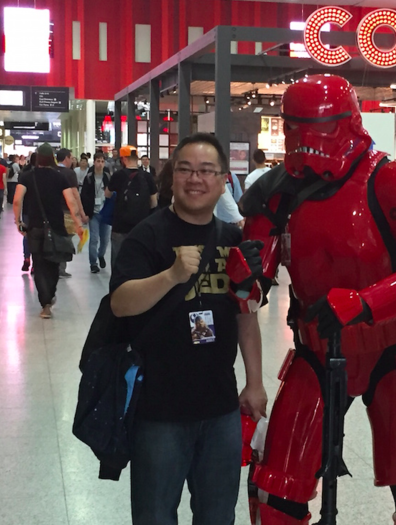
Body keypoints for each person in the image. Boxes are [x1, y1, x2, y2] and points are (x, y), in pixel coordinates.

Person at [240, 75, 396, 525]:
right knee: (278, 490)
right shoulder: (279, 190)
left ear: (349, 124)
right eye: (294, 129)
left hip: (394, 349)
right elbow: (256, 266)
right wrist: (248, 278)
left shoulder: (392, 178)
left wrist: (365, 302)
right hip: (316, 350)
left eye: (316, 129)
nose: (305, 143)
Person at [109, 132, 267, 525]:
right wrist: (173, 275)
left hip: (221, 408)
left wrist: (255, 382)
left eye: (206, 171)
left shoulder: (233, 240)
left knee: (218, 515)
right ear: (171, 177)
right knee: (156, 516)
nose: (195, 179)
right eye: (185, 170)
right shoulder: (148, 235)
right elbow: (120, 303)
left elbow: (245, 315)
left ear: (223, 180)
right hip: (159, 410)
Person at [14, 144, 83, 318]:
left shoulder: (26, 176)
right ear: (52, 158)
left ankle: (44, 302)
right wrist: (78, 224)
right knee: (53, 264)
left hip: (35, 226)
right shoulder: (60, 177)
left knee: (38, 263)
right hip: (56, 227)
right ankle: (49, 298)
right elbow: (71, 201)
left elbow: (16, 200)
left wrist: (18, 221)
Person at [106, 145, 158, 268]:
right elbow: (154, 202)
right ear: (137, 158)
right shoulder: (147, 176)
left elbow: (107, 195)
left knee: (118, 257)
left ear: (124, 159)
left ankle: (118, 283)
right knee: (139, 257)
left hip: (120, 224)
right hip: (142, 225)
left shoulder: (118, 175)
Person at [56, 148, 89, 277]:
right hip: (66, 211)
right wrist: (81, 212)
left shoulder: (52, 171)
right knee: (66, 238)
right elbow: (75, 194)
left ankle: (53, 265)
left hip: (53, 210)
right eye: (71, 157)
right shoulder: (69, 174)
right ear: (66, 158)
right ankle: (61, 268)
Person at [80, 153, 111, 273]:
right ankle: (93, 263)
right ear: (94, 162)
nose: (100, 164)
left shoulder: (107, 176)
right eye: (98, 161)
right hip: (94, 213)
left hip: (105, 212)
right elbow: (84, 196)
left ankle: (101, 255)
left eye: (102, 161)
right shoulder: (89, 177)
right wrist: (85, 213)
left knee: (105, 239)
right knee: (93, 239)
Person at [20, 152, 36, 273]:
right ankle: (35, 263)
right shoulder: (43, 176)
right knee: (37, 236)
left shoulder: (24, 175)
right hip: (39, 211)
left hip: (26, 209)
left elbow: (19, 197)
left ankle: (26, 258)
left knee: (27, 235)